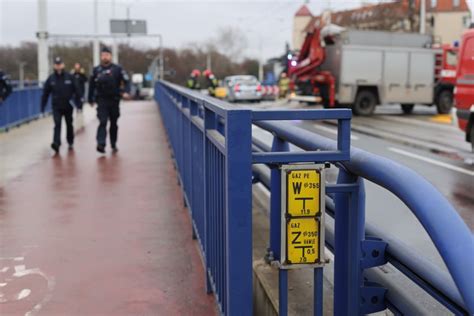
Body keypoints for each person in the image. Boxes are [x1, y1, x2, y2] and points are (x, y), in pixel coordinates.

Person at [88, 46, 131, 154]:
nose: (105, 57)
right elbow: (91, 85)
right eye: (103, 55)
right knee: (102, 121)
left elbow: (126, 81)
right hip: (101, 100)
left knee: (113, 123)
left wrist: (126, 91)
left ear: (110, 56)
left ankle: (113, 142)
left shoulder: (117, 69)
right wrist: (90, 99)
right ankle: (101, 143)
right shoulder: (96, 70)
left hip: (114, 99)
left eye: (107, 55)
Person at [40, 57, 79, 153]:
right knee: (57, 124)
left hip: (68, 106)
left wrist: (79, 104)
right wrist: (42, 108)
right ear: (54, 65)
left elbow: (77, 91)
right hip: (56, 106)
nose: (58, 66)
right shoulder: (51, 78)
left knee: (69, 124)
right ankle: (56, 143)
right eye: (56, 64)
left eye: (60, 64)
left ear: (63, 65)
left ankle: (70, 140)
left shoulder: (69, 77)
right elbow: (45, 93)